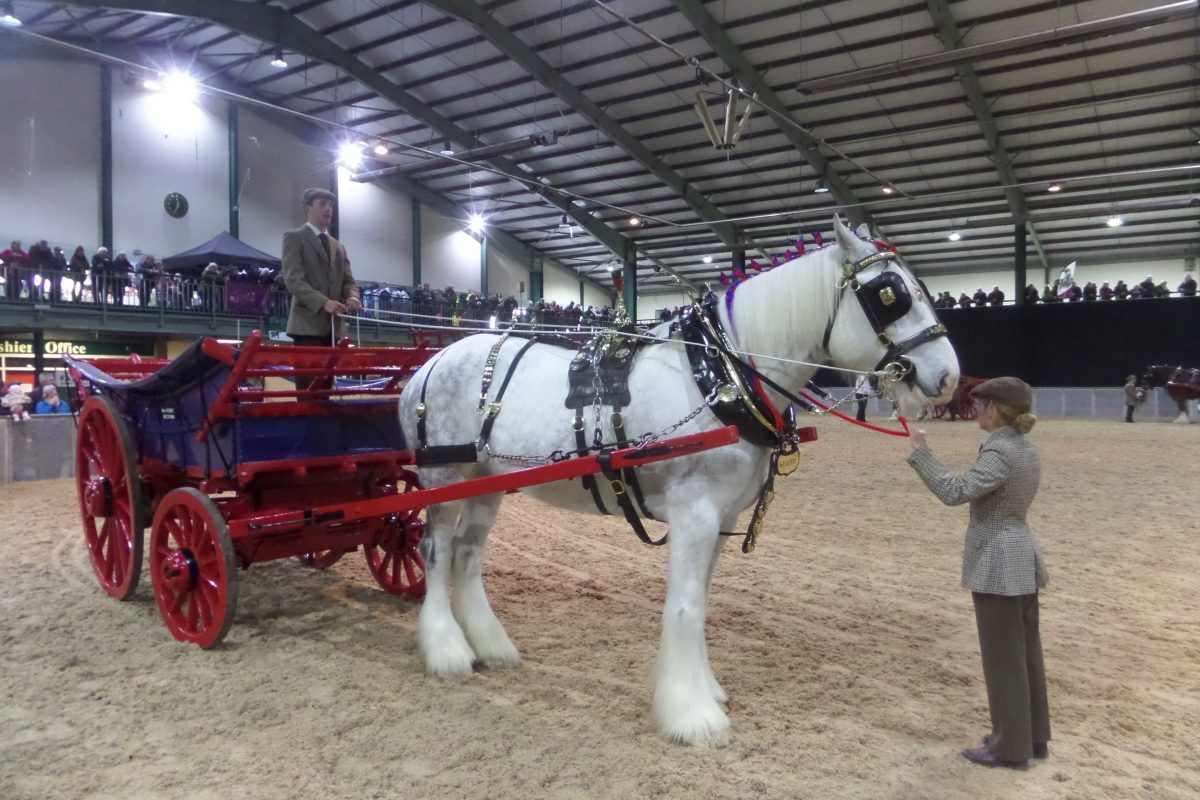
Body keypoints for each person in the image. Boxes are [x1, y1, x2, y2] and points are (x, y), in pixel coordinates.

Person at [905, 377, 1050, 768]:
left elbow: (954, 491)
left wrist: (922, 454)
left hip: (999, 563)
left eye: (981, 403)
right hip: (1021, 556)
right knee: (1025, 654)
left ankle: (1009, 747)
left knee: (1003, 658)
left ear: (995, 410)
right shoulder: (1023, 447)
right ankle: (1032, 737)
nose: (976, 409)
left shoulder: (1000, 451)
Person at [282, 187, 361, 355]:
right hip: (306, 327)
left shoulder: (339, 246)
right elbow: (294, 280)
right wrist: (324, 303)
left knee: (328, 381)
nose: (329, 209)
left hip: (335, 328)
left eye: (331, 205)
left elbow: (349, 280)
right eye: (323, 204)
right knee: (309, 381)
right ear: (308, 208)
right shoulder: (294, 237)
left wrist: (353, 296)